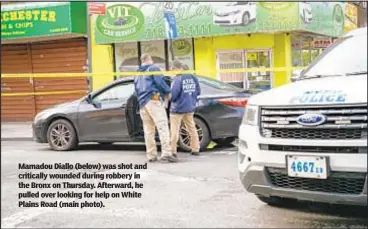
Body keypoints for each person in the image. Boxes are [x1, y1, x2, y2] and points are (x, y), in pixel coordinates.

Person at [134, 54, 177, 163]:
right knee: (162, 127)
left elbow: (136, 89)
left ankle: (151, 155)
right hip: (153, 100)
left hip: (142, 103)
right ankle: (166, 153)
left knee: (148, 131)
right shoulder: (153, 68)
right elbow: (160, 82)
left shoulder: (138, 73)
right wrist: (168, 92)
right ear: (149, 59)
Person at [169, 60, 201, 157]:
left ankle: (173, 151)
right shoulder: (193, 77)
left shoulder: (178, 79)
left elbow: (173, 95)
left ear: (178, 68)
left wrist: (170, 98)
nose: (172, 70)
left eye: (173, 69)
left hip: (177, 109)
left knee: (174, 130)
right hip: (190, 107)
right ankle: (195, 149)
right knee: (191, 128)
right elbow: (198, 91)